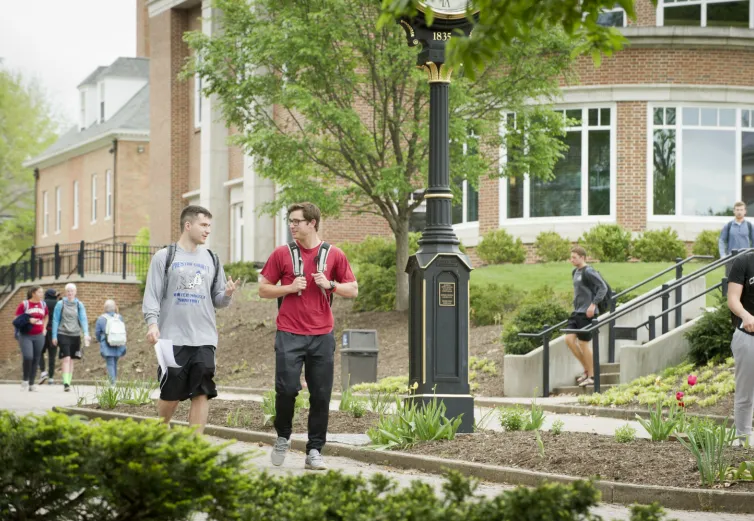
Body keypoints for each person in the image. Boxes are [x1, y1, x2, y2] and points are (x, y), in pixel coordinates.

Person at [258, 202, 358, 470]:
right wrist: (289, 287)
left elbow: (354, 289)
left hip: (322, 335)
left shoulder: (334, 254)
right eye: (290, 221)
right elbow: (263, 289)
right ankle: (282, 437)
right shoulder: (282, 254)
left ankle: (314, 450)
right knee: (287, 389)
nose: (292, 225)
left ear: (312, 223)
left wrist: (332, 284)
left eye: (297, 221)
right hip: (289, 333)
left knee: (321, 395)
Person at [142, 205, 238, 434]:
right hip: (172, 338)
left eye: (209, 226)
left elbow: (218, 300)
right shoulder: (165, 257)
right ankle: (158, 431)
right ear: (188, 225)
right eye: (203, 225)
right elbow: (152, 295)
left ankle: (195, 446)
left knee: (202, 390)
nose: (207, 231)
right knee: (171, 393)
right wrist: (152, 324)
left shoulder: (212, 259)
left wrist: (227, 294)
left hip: (204, 337)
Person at [565, 246, 608, 388]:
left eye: (574, 257)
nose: (572, 260)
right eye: (571, 257)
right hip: (577, 312)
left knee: (583, 344)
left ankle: (592, 375)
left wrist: (593, 305)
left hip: (587, 313)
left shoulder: (589, 271)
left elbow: (603, 287)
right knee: (569, 339)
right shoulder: (574, 272)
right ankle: (586, 369)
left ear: (582, 257)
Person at [727, 250, 754, 445]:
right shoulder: (744, 262)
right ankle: (743, 442)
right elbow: (733, 298)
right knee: (745, 394)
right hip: (747, 337)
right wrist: (745, 316)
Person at [52, 283, 91, 392]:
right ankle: (66, 383)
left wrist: (86, 333)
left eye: (72, 291)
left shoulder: (79, 304)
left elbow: (83, 319)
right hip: (63, 333)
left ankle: (69, 381)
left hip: (75, 334)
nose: (70, 293)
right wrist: (54, 335)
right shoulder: (60, 304)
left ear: (75, 292)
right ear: (65, 292)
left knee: (72, 359)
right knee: (66, 358)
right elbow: (55, 319)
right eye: (68, 291)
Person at [15, 285, 49, 391]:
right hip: (26, 335)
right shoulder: (24, 304)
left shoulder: (43, 304)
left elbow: (46, 316)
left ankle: (31, 383)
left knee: (36, 358)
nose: (42, 294)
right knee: (28, 357)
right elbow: (17, 319)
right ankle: (25, 380)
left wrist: (44, 328)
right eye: (40, 292)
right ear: (33, 293)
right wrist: (29, 320)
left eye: (42, 292)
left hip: (39, 335)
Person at [95, 299, 127, 384]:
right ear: (114, 307)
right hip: (118, 343)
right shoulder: (119, 317)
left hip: (107, 344)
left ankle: (112, 384)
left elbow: (97, 333)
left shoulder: (101, 319)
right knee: (115, 363)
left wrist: (100, 340)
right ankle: (114, 381)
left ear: (105, 308)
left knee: (110, 364)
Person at [719, 201, 754, 275]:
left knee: (746, 282)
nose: (739, 212)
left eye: (741, 210)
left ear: (745, 211)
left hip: (746, 259)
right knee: (730, 281)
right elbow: (721, 240)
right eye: (737, 210)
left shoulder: (749, 226)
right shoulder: (728, 225)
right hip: (731, 259)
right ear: (734, 211)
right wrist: (723, 255)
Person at [38, 288, 61, 385]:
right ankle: (51, 378)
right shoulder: (58, 304)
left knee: (39, 352)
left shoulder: (42, 303)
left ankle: (43, 372)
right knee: (52, 356)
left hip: (42, 332)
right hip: (54, 333)